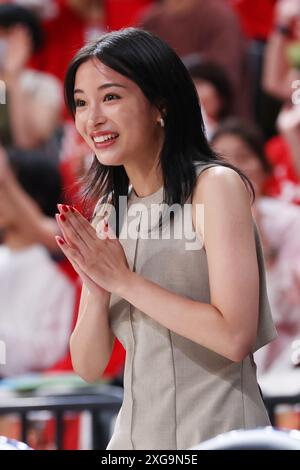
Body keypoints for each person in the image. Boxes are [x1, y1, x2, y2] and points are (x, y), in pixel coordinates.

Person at [56, 28, 277, 450]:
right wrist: (97, 286)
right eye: (81, 103)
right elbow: (89, 366)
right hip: (133, 442)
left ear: (161, 105)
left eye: (111, 97)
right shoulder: (110, 210)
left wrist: (124, 281)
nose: (92, 118)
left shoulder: (216, 187)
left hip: (218, 435)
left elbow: (234, 337)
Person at [211, 119, 300, 380]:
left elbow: (289, 310)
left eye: (243, 157)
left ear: (264, 167)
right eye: (221, 159)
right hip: (222, 370)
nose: (234, 168)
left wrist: (255, 227)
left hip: (284, 369)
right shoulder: (195, 225)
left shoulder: (290, 221)